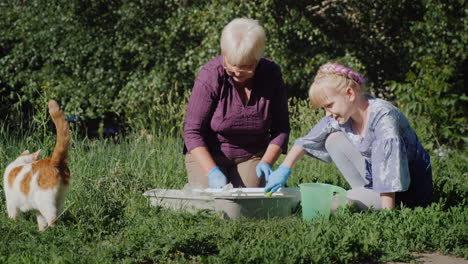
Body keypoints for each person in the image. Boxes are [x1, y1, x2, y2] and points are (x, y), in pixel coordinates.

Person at [264, 63, 433, 210]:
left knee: (334, 205)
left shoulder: (383, 117)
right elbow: (307, 141)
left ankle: (364, 201)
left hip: (404, 191)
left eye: (329, 105)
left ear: (350, 94)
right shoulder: (344, 115)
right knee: (333, 139)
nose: (327, 114)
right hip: (376, 179)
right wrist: (284, 169)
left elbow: (389, 172)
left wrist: (388, 215)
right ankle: (362, 194)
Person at [183, 18, 290, 189]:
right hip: (211, 154)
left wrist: (267, 162)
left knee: (249, 204)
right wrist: (211, 171)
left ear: (258, 58)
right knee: (212, 203)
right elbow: (192, 132)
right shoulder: (210, 75)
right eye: (232, 65)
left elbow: (281, 129)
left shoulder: (271, 74)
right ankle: (197, 183)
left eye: (246, 66)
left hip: (252, 154)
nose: (238, 72)